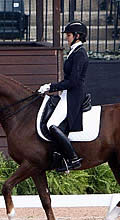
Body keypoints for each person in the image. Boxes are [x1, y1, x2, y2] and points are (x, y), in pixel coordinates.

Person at [38, 20, 89, 171]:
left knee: (51, 125)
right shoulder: (74, 51)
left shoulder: (80, 53)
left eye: (68, 35)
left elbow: (73, 81)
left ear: (77, 36)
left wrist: (51, 86)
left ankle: (72, 159)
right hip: (67, 93)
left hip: (74, 95)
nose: (66, 38)